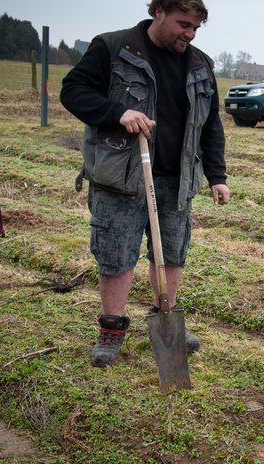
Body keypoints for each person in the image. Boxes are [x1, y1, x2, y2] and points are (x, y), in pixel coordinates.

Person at [60, 0, 230, 367]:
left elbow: (210, 124)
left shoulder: (201, 64)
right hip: (121, 176)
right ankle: (112, 328)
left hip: (177, 178)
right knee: (116, 255)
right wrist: (118, 112)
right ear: (159, 13)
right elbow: (73, 91)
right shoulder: (113, 48)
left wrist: (217, 176)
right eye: (184, 24)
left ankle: (165, 317)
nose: (190, 33)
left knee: (171, 253)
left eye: (196, 28)